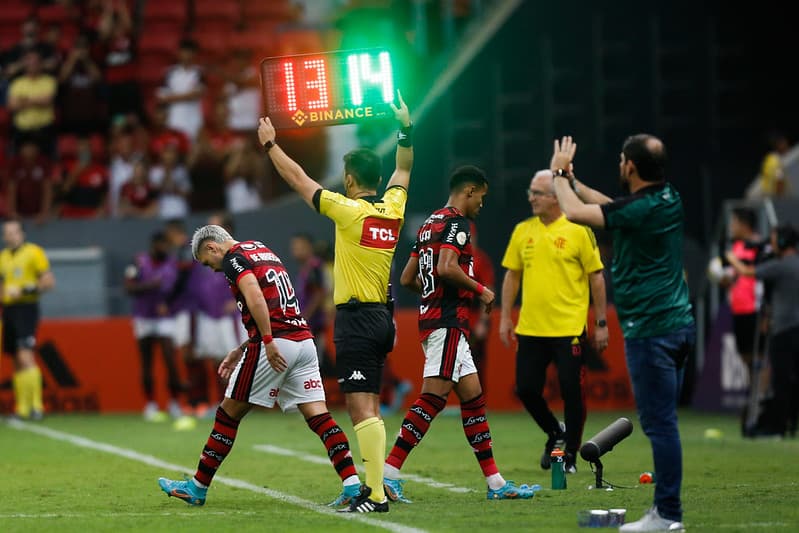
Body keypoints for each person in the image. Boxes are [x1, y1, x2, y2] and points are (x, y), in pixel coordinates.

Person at [257, 90, 412, 513]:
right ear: (377, 180)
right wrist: (405, 129)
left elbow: (299, 180)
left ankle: (375, 494)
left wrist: (271, 144)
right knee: (372, 405)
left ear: (348, 180)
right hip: (383, 316)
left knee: (360, 408)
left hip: (357, 318)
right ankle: (377, 487)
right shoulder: (393, 208)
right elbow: (403, 167)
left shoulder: (348, 211)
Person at [157, 225, 362, 507]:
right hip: (303, 342)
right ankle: (352, 485)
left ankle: (197, 487)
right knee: (319, 417)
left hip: (276, 342)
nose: (214, 270)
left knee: (228, 415)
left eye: (208, 263)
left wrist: (266, 341)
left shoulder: (233, 258)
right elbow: (275, 299)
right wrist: (240, 348)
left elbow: (255, 296)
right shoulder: (261, 249)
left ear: (211, 248)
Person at [550, 134, 695, 532]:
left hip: (652, 331)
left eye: (620, 159)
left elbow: (578, 214)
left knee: (660, 425)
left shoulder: (643, 209)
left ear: (630, 166)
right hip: (679, 325)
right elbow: (610, 207)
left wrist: (559, 174)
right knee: (666, 424)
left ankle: (667, 516)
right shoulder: (668, 198)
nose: (618, 164)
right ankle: (665, 513)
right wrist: (576, 184)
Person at [384, 165, 537, 503]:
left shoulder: (429, 224)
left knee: (473, 399)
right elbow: (446, 267)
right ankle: (389, 473)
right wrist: (480, 290)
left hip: (435, 321)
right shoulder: (457, 223)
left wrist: (434, 292)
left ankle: (495, 483)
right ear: (470, 190)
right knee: (432, 399)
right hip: (448, 322)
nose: (482, 203)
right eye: (482, 196)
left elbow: (410, 278)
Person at [499, 169, 608, 475]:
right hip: (531, 327)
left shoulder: (578, 230)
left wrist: (601, 323)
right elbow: (512, 275)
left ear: (555, 197)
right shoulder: (523, 230)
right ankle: (554, 431)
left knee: (572, 392)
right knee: (525, 389)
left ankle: (571, 453)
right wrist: (506, 317)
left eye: (538, 193)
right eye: (531, 192)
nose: (531, 198)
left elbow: (596, 277)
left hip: (569, 328)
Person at [726, 224, 799, 438]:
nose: (771, 244)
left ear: (784, 243)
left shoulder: (781, 265)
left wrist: (730, 257)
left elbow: (748, 271)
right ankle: (790, 423)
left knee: (781, 382)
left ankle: (776, 426)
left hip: (784, 330)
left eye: (774, 240)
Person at [124, 231, 184, 421]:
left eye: (166, 245)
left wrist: (169, 304)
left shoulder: (173, 264)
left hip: (165, 318)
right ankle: (150, 404)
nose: (164, 249)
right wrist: (151, 285)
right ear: (153, 245)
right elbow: (128, 287)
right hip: (143, 316)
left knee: (170, 359)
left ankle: (174, 403)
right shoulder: (138, 262)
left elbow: (178, 289)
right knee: (146, 361)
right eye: (161, 245)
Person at [0, 220, 55, 420]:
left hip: (26, 308)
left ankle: (37, 406)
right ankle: (21, 408)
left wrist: (24, 289)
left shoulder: (34, 252)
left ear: (22, 234)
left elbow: (49, 282)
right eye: (7, 233)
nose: (10, 236)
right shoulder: (3, 258)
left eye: (14, 232)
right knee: (15, 357)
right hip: (8, 310)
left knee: (25, 355)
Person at [290, 233, 332, 370]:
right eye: (294, 247)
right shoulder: (306, 268)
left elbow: (319, 294)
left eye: (299, 247)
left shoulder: (314, 266)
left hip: (316, 326)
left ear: (308, 247)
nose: (296, 251)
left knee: (318, 364)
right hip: (309, 327)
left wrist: (305, 317)